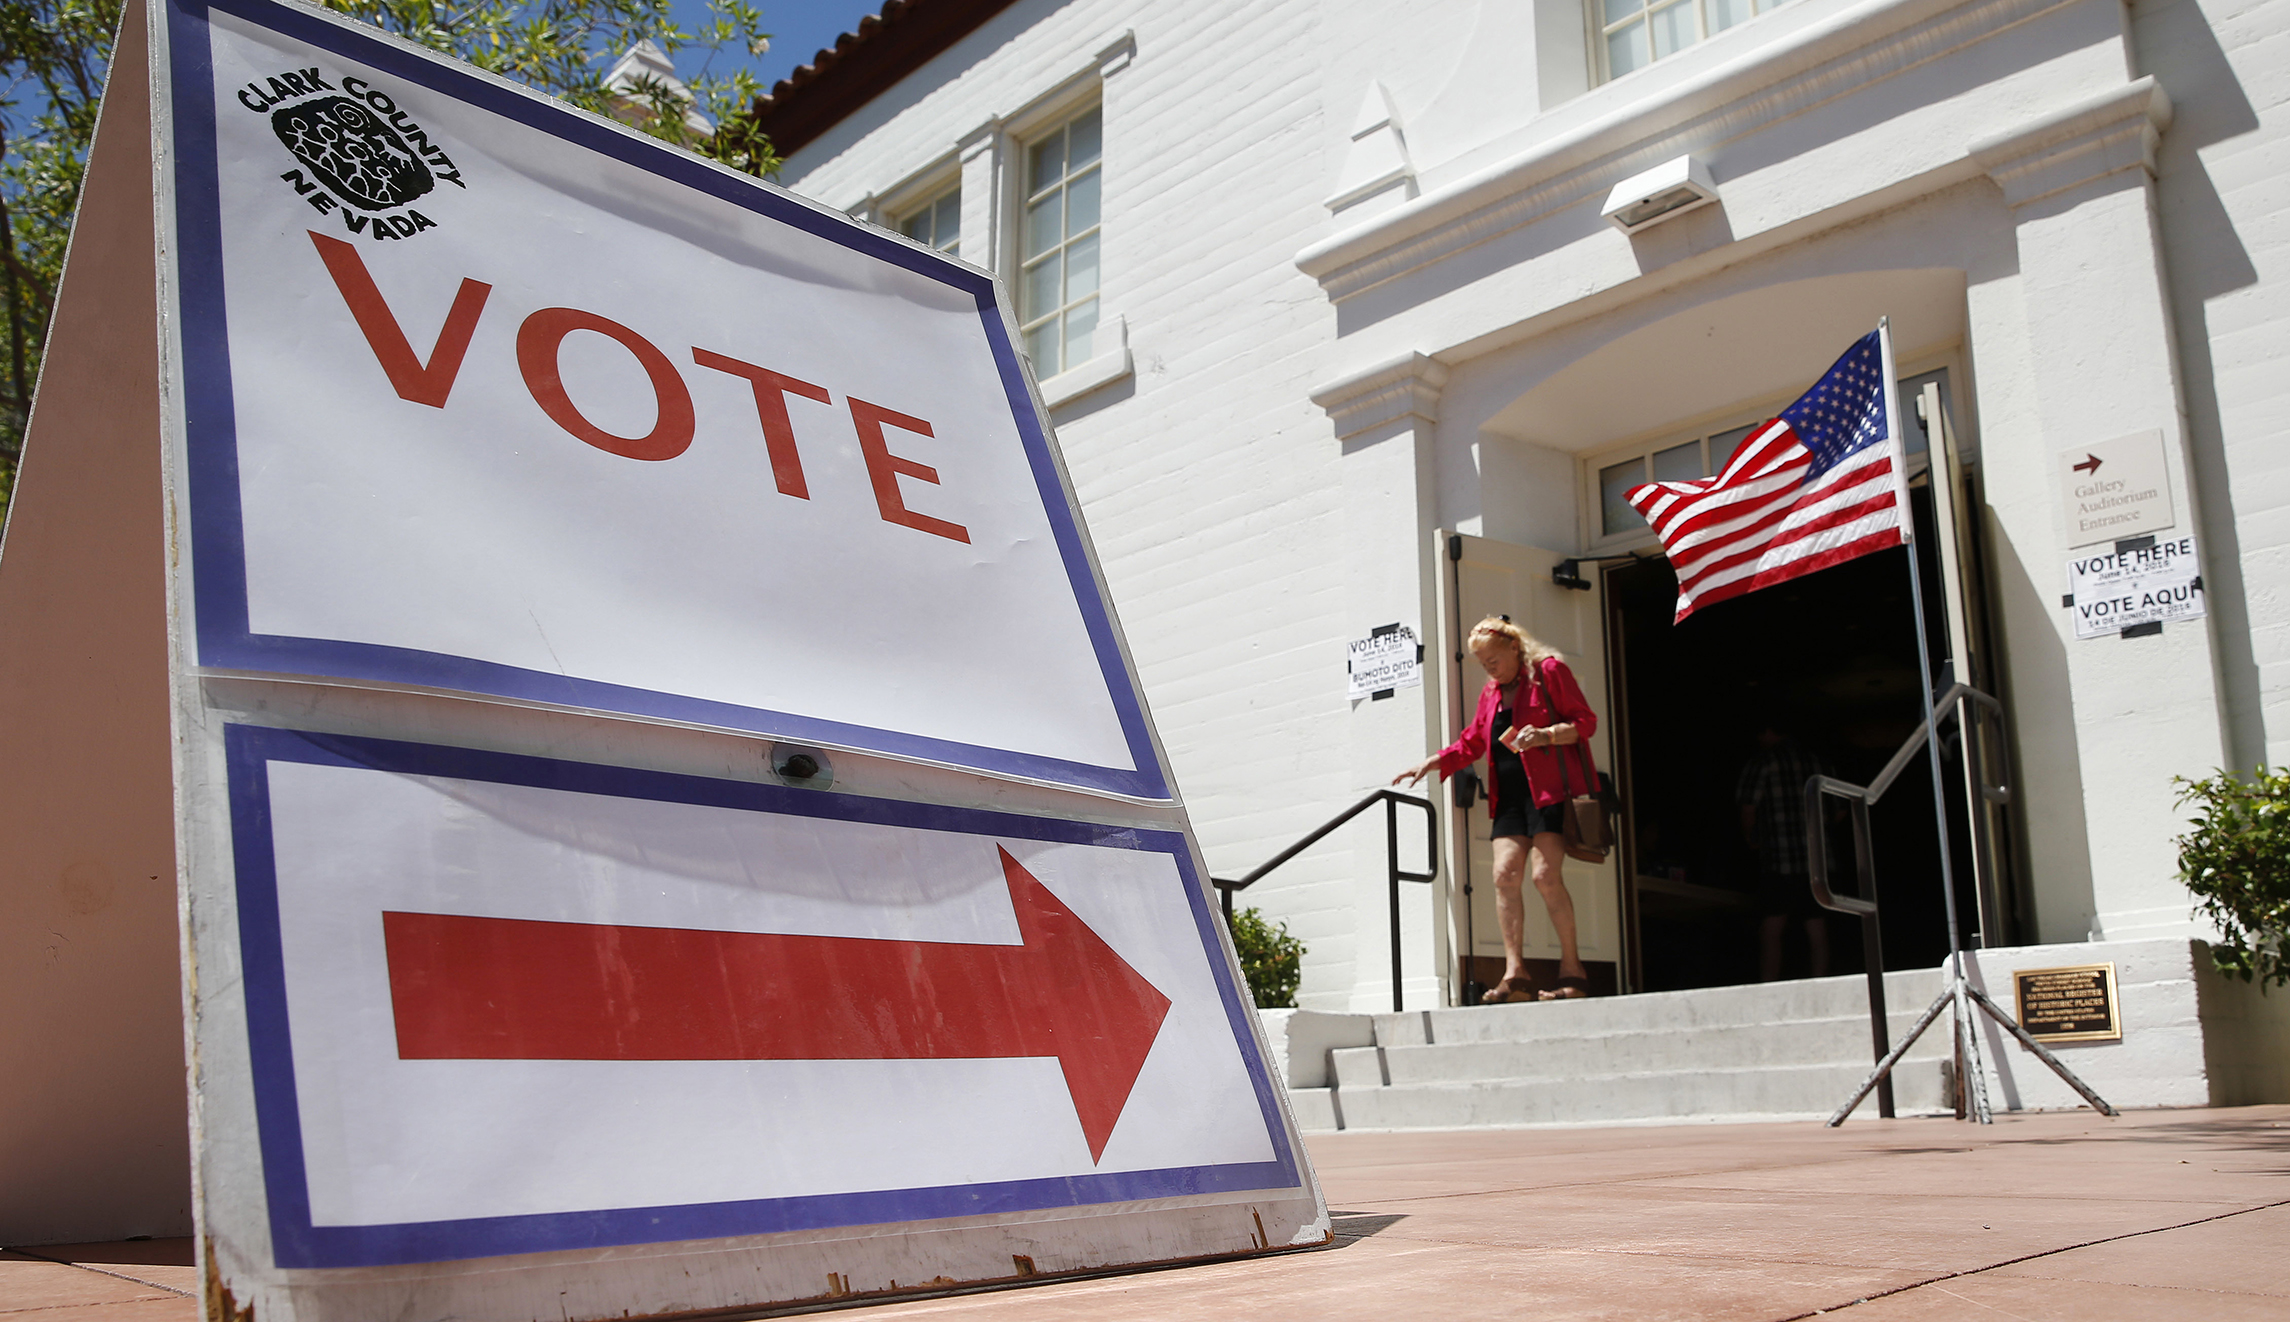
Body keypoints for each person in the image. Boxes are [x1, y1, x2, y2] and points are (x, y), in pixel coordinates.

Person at [1395, 616, 1598, 1003]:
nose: (1489, 666)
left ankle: (1574, 973)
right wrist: (1434, 761)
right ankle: (1515, 974)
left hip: (1549, 792)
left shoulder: (1549, 672)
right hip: (1508, 797)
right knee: (1504, 875)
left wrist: (1545, 735)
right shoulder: (1491, 692)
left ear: (1514, 647)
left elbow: (1585, 723)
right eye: (1482, 661)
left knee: (1544, 876)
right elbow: (1472, 742)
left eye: (1493, 658)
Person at [1737, 722, 1832, 981]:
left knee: (1772, 924)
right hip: (1816, 858)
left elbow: (1748, 808)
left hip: (1780, 857)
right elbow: (1840, 809)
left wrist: (1751, 838)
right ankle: (1821, 981)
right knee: (1816, 924)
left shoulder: (1764, 762)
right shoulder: (1815, 762)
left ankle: (1769, 985)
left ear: (1768, 730)